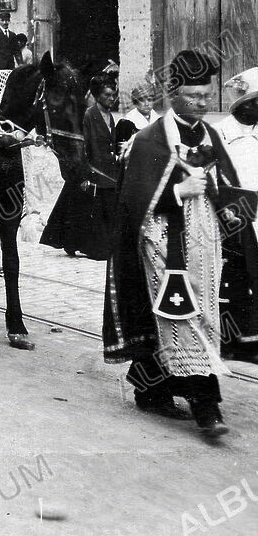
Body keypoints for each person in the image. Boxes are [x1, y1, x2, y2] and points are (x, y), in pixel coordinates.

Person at [104, 50, 240, 439]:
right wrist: (178, 191)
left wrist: (228, 208)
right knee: (181, 316)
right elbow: (133, 202)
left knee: (202, 314)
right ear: (173, 93)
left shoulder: (211, 134)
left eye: (206, 96)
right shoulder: (149, 139)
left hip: (206, 242)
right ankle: (206, 406)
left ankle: (150, 385)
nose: (202, 103)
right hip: (163, 240)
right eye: (194, 96)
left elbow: (222, 182)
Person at [41, 75, 121, 261]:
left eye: (114, 95)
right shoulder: (88, 116)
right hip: (92, 171)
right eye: (108, 95)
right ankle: (85, 245)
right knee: (86, 210)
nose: (112, 98)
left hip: (108, 172)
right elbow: (82, 148)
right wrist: (84, 175)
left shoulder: (110, 117)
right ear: (97, 95)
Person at [216, 67, 258, 365]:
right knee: (234, 278)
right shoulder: (221, 133)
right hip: (234, 216)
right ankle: (231, 341)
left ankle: (252, 339)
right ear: (244, 104)